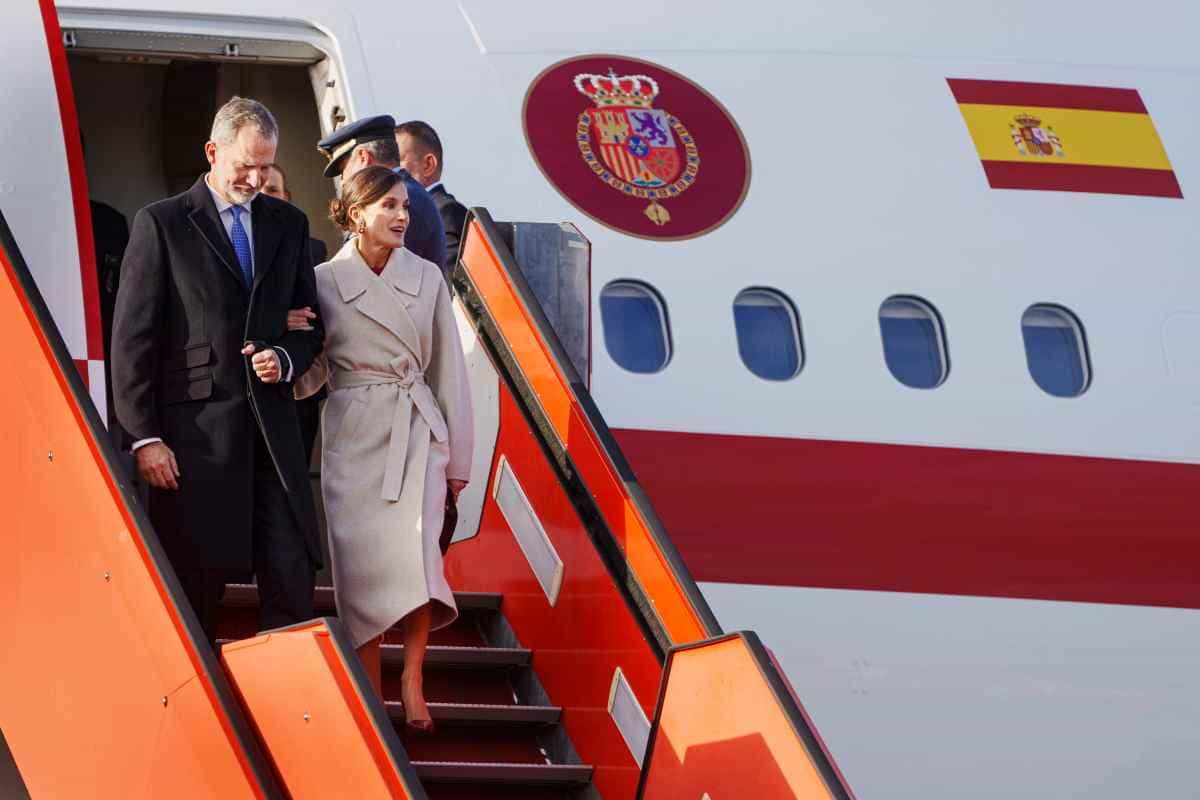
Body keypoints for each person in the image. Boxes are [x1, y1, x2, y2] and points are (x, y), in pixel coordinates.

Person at [111, 96, 325, 640]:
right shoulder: (162, 223)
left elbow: (313, 327)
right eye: (244, 165)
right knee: (195, 587)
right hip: (195, 439)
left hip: (275, 434)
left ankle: (288, 708)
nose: (255, 178)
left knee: (290, 574)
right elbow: (134, 339)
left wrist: (284, 356)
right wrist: (144, 438)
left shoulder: (290, 224)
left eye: (265, 166)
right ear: (213, 151)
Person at [294, 165, 473, 731]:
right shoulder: (322, 280)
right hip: (352, 429)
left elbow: (449, 371)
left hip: (416, 428)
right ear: (355, 214)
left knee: (418, 559)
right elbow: (315, 369)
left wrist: (459, 462)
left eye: (404, 206)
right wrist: (284, 355)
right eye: (388, 207)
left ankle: (412, 678)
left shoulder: (427, 278)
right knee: (360, 568)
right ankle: (370, 685)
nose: (402, 216)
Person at [317, 115, 446, 270]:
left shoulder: (403, 198)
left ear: (363, 158)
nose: (343, 181)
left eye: (343, 170)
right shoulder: (408, 194)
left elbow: (365, 274)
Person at [261, 162, 327, 464]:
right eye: (260, 189)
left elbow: (310, 318)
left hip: (299, 385)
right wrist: (278, 319)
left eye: (273, 189)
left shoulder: (312, 249)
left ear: (287, 196)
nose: (266, 195)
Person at [395, 120, 468, 276]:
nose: (391, 170)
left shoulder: (443, 210)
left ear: (428, 165)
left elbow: (452, 284)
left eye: (397, 161)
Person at [261, 163, 329, 266]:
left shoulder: (311, 251)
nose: (263, 197)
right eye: (255, 190)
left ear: (286, 198)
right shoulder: (231, 248)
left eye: (273, 190)